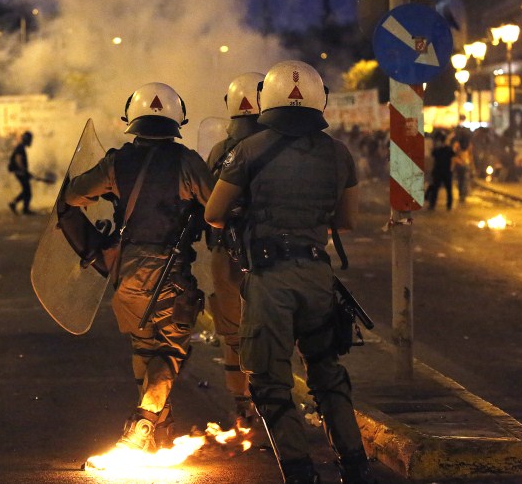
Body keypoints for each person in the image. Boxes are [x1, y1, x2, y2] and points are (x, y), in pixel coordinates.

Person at [205, 60, 375, 484]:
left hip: (269, 279)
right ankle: (355, 468)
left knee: (271, 381)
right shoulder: (339, 153)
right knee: (327, 374)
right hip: (318, 277)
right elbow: (348, 221)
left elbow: (213, 214)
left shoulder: (247, 150)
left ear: (268, 100)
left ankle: (300, 473)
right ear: (320, 99)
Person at [64, 82, 214, 452]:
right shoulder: (187, 162)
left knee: (143, 346)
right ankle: (145, 423)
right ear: (177, 119)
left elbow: (72, 195)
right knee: (171, 349)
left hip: (127, 268)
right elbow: (218, 207)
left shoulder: (118, 161)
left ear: (132, 118)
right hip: (169, 268)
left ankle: (158, 433)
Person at [205, 72, 266, 424]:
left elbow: (210, 207)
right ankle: (273, 399)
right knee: (275, 327)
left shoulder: (220, 150)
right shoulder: (282, 144)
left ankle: (241, 401)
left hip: (226, 253)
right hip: (271, 254)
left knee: (232, 329)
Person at [8, 131, 34, 215]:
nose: (31, 141)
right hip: (20, 172)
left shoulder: (20, 147)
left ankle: (14, 204)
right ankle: (24, 209)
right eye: (30, 139)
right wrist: (24, 171)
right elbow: (18, 160)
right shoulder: (20, 148)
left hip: (20, 172)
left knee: (26, 191)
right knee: (28, 191)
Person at [426, 131, 454, 210]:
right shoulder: (440, 149)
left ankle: (448, 205)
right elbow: (433, 154)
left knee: (448, 189)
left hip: (444, 171)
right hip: (440, 171)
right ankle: (433, 204)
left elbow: (453, 155)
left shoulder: (447, 149)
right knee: (436, 189)